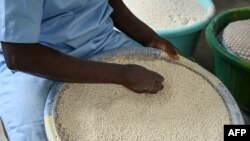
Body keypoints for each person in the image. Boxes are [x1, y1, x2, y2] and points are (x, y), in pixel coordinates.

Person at [0, 0, 179, 140]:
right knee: (36, 132)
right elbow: (18, 55)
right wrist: (123, 74)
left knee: (168, 105)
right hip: (38, 57)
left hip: (100, 39)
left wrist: (149, 38)